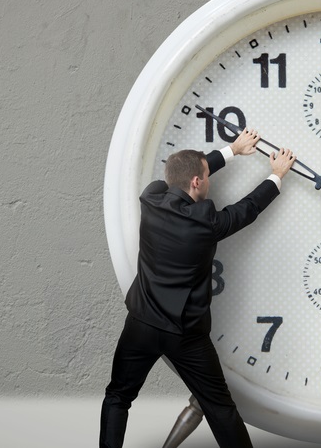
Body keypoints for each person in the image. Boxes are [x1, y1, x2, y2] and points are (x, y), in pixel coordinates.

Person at [100, 129, 296, 448]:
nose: (208, 180)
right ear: (196, 182)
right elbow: (246, 210)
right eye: (206, 176)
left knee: (118, 396)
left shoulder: (151, 198)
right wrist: (276, 175)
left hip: (141, 324)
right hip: (186, 336)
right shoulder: (207, 223)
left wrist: (232, 150)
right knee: (219, 408)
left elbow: (190, 170)